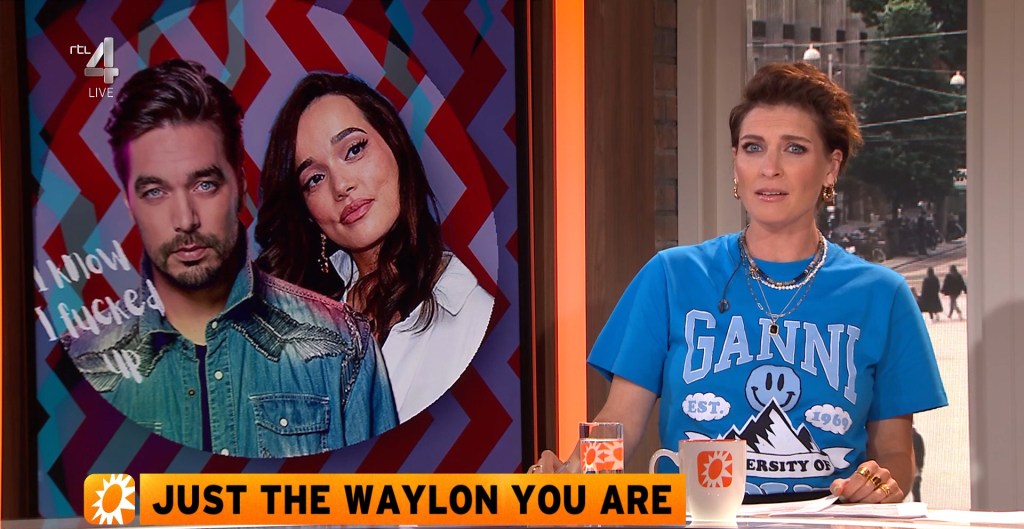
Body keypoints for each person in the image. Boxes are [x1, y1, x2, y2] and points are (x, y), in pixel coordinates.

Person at [531, 62, 947, 504]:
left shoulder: (882, 295)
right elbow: (620, 420)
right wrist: (573, 479)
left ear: (831, 167)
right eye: (753, 147)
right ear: (736, 163)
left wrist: (880, 484)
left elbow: (895, 452)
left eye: (794, 149)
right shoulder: (672, 276)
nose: (769, 168)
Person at [62, 60, 397, 458]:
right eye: (155, 192)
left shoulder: (341, 347)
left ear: (239, 183)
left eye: (204, 184)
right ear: (129, 203)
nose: (185, 219)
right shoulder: (79, 366)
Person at [256, 72, 494, 423]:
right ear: (306, 211)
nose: (341, 185)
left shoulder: (475, 318)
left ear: (395, 145)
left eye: (354, 150)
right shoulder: (295, 322)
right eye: (315, 178)